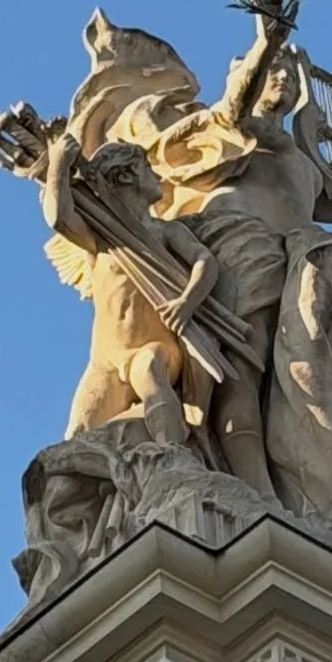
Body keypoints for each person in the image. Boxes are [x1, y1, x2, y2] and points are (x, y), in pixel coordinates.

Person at [40, 134, 221, 448]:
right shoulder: (104, 240)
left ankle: (173, 457)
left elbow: (205, 261)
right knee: (76, 437)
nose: (159, 176)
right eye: (148, 168)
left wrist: (186, 303)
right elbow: (59, 219)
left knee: (150, 372)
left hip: (154, 348)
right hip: (105, 362)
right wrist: (58, 165)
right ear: (126, 176)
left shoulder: (166, 232)